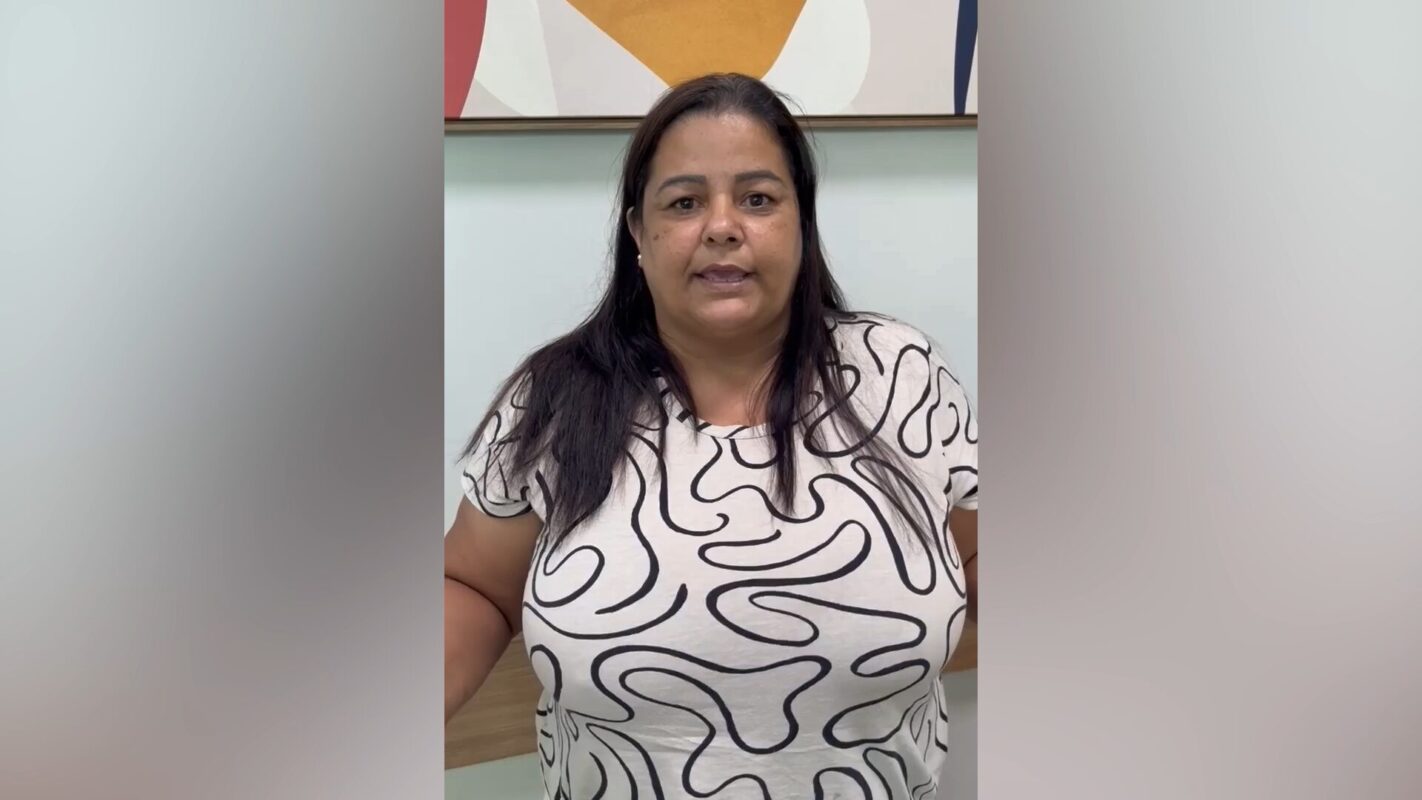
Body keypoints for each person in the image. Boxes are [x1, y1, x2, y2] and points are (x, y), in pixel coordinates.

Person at [445, 73, 978, 799]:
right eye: (685, 202)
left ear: (801, 223)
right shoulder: (557, 399)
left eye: (758, 199)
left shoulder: (902, 375)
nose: (722, 227)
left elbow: (974, 558)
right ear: (639, 234)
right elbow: (474, 584)